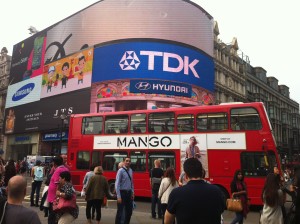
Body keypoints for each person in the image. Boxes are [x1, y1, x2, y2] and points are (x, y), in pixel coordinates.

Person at [164, 158, 225, 224]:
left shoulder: (176, 193)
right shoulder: (217, 191)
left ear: (186, 176)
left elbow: (168, 219)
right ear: (201, 173)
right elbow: (221, 210)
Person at [47, 156, 69, 224]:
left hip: (54, 197)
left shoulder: (58, 170)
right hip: (56, 196)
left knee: (52, 216)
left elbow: (57, 182)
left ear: (54, 163)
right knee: (56, 215)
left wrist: (57, 193)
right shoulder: (65, 169)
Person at [115, 157, 134, 224]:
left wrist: (132, 192)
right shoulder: (120, 171)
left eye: (129, 161)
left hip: (129, 193)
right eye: (126, 161)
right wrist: (118, 196)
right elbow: (117, 184)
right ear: (124, 162)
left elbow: (131, 182)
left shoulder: (131, 170)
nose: (128, 162)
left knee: (129, 211)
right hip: (122, 193)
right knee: (120, 212)